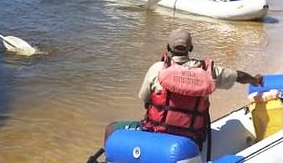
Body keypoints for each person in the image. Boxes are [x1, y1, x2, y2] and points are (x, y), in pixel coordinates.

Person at [104, 29, 263, 149]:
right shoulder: (208, 71)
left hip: (155, 133)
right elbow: (239, 76)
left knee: (111, 128)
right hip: (193, 137)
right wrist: (254, 80)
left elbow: (145, 99)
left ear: (167, 47)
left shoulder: (158, 69)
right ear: (191, 47)